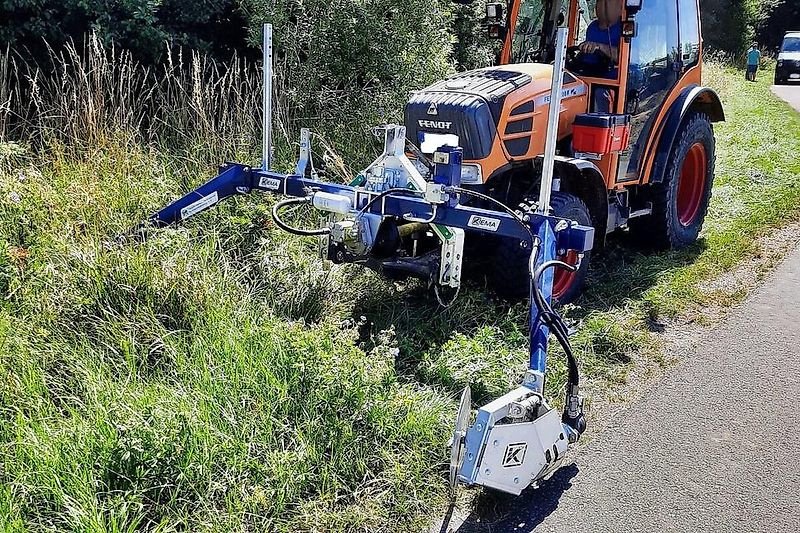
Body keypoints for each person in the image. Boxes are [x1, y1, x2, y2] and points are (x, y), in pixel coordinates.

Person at [577, 0, 623, 112]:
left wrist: (599, 47)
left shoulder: (624, 28)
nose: (601, 6)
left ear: (620, 5)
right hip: (587, 76)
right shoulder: (592, 27)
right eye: (599, 2)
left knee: (598, 93)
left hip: (609, 81)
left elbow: (622, 56)